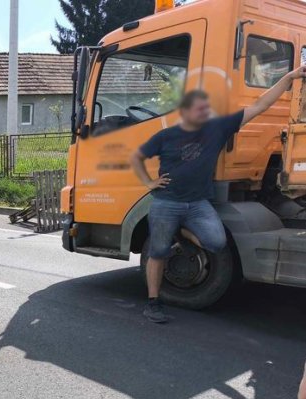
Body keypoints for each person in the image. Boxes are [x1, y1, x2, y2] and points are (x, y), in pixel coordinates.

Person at [131, 64, 306, 323]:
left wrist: (289, 77)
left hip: (198, 203)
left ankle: (181, 232)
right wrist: (148, 182)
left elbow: (259, 106)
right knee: (157, 252)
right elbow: (137, 156)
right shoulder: (166, 136)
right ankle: (153, 303)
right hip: (166, 202)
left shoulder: (216, 129)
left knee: (216, 243)